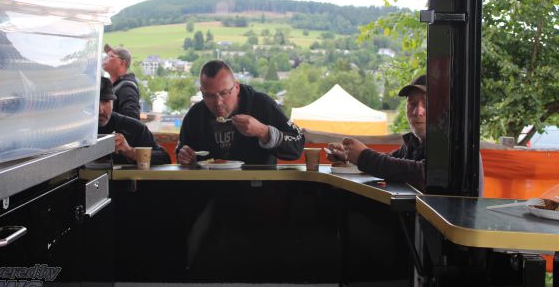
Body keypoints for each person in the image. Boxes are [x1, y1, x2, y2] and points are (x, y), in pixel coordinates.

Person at [176, 60, 304, 165]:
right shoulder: (195, 115)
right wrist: (185, 157)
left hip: (257, 184)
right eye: (209, 95)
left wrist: (263, 132)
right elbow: (182, 151)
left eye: (224, 93)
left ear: (236, 87)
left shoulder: (261, 105)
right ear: (201, 91)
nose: (218, 102)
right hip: (210, 186)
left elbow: (297, 144)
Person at [327, 74, 426, 190]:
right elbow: (390, 163)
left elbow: (423, 173)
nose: (417, 112)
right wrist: (349, 156)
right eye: (413, 103)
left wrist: (363, 156)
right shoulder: (413, 143)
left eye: (427, 104)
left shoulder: (443, 145)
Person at [98, 76, 171, 165]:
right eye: (94, 104)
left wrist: (130, 152)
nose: (100, 110)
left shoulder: (132, 127)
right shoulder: (80, 130)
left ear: (113, 102)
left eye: (105, 101)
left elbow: (164, 159)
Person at [102, 43, 141, 120]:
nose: (106, 59)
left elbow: (132, 119)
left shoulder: (127, 88)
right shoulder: (115, 85)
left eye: (111, 56)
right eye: (106, 56)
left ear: (122, 63)